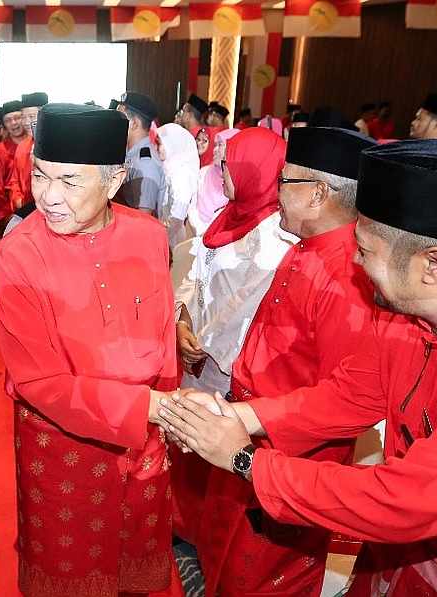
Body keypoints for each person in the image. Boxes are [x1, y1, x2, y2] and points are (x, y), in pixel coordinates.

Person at [159, 139, 437, 597]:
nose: (352, 259)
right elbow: (354, 391)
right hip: (411, 547)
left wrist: (245, 459)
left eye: (365, 250)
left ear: (433, 265)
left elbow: (402, 499)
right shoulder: (417, 307)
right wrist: (241, 418)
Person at [0, 103, 181, 597]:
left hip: (147, 437)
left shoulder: (149, 235)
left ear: (115, 181)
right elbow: (40, 383)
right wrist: (154, 408)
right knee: (68, 562)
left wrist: (168, 407)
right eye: (39, 175)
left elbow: (161, 335)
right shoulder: (18, 255)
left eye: (70, 182)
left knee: (137, 547)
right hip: (60, 446)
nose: (49, 197)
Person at [197, 126, 378, 597]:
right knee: (225, 559)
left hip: (293, 454)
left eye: (285, 181)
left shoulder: (349, 274)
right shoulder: (306, 248)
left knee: (264, 577)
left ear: (318, 193)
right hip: (251, 436)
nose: (275, 193)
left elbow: (352, 398)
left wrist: (253, 417)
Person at [172, 126, 294, 545]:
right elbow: (194, 275)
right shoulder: (229, 215)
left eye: (227, 165)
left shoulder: (276, 240)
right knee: (189, 443)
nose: (219, 172)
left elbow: (243, 309)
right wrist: (181, 318)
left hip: (228, 368)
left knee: (217, 450)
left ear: (252, 171)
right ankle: (185, 524)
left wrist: (199, 343)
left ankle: (206, 536)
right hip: (197, 353)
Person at [115, 92, 163, 214]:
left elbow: (144, 217)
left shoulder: (145, 164)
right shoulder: (130, 153)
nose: (114, 123)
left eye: (119, 118)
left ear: (134, 124)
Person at [154, 122, 200, 246]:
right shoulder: (169, 168)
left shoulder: (183, 175)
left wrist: (161, 241)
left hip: (172, 237)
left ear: (173, 145)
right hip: (163, 229)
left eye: (161, 144)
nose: (157, 148)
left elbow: (177, 219)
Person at [4, 92, 49, 214]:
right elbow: (14, 180)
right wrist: (17, 198)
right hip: (25, 208)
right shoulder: (22, 146)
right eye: (24, 117)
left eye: (32, 116)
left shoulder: (55, 145)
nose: (26, 122)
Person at [192, 128, 240, 234]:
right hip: (196, 232)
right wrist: (199, 230)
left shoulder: (239, 182)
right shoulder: (203, 173)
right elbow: (192, 206)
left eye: (220, 145)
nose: (215, 150)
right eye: (215, 145)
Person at [0, 100, 27, 224]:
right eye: (8, 120)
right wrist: (7, 215)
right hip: (13, 212)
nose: (13, 123)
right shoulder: (0, 151)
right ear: (4, 125)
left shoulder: (34, 143)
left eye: (17, 118)